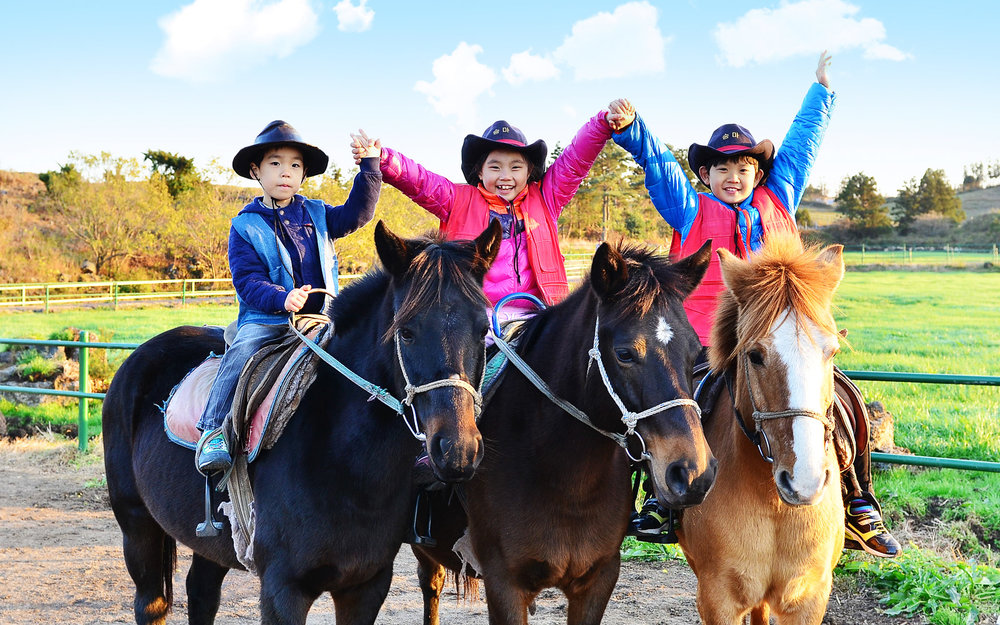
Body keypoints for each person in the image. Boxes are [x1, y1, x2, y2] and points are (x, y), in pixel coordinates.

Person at [610, 53, 901, 558]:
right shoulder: (689, 206)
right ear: (704, 174)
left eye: (743, 167)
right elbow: (658, 166)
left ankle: (858, 501)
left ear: (757, 171)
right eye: (721, 168)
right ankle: (661, 499)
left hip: (784, 334)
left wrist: (821, 92)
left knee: (846, 400)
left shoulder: (780, 194)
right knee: (675, 406)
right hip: (704, 338)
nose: (733, 176)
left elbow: (802, 145)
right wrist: (633, 129)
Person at [195, 120, 382, 474]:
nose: (286, 172)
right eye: (276, 163)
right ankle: (214, 429)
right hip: (268, 320)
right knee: (242, 352)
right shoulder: (245, 225)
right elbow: (247, 280)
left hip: (321, 316)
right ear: (256, 170)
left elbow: (359, 214)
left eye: (295, 165)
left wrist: (370, 166)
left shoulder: (317, 213)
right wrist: (283, 298)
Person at [350, 106, 631, 322]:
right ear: (480, 172)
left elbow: (576, 160)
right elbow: (419, 180)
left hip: (540, 315)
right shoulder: (456, 199)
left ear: (530, 172)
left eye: (516, 167)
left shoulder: (546, 198)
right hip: (475, 316)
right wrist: (382, 158)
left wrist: (603, 122)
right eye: (495, 167)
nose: (505, 176)